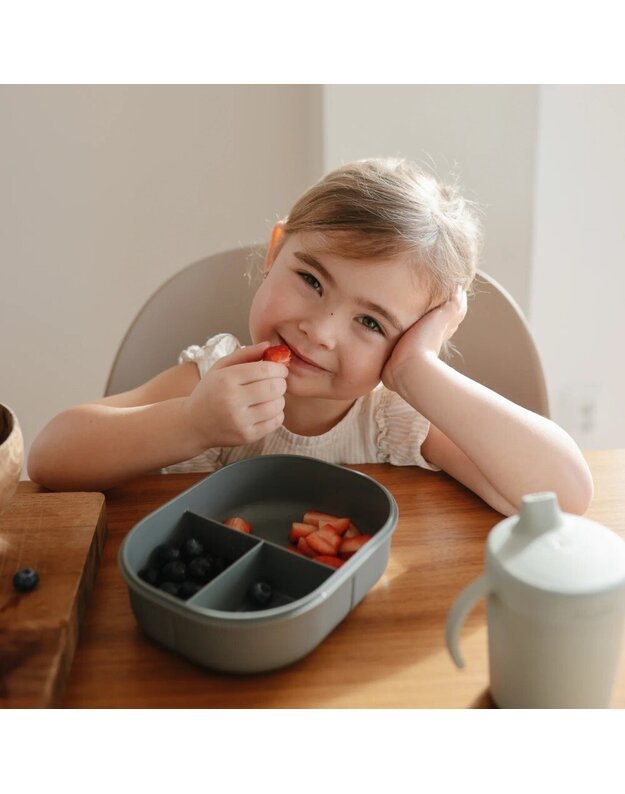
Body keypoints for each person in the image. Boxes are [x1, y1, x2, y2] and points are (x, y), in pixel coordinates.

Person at [28, 158, 593, 516]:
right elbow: (53, 457)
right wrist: (192, 422)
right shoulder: (216, 378)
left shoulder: (392, 416)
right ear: (276, 251)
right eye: (311, 279)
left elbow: (563, 499)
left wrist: (417, 370)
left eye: (371, 323)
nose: (319, 331)